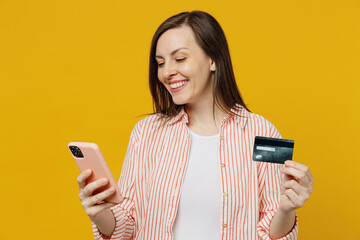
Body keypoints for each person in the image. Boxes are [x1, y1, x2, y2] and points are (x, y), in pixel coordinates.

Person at [76, 11, 314, 240]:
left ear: (212, 59)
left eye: (179, 58)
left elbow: (274, 232)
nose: (167, 72)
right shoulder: (145, 132)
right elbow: (127, 225)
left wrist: (287, 209)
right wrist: (99, 213)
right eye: (160, 63)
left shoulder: (265, 133)